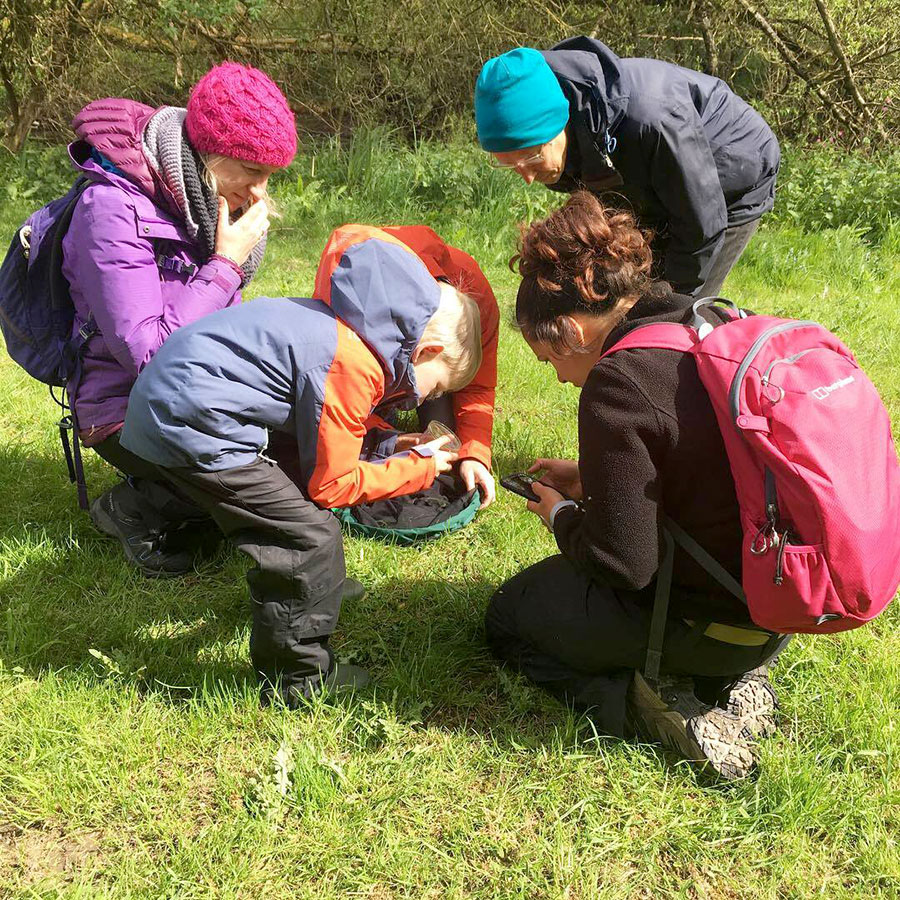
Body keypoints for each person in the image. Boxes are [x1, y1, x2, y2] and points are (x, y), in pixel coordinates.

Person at [485, 192, 789, 780]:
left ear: (573, 330)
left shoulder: (617, 382)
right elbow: (696, 463)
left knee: (509, 615)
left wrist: (561, 515)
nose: (560, 378)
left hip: (705, 620)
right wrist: (594, 475)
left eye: (550, 359)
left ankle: (646, 703)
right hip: (776, 604)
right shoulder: (705, 319)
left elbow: (623, 565)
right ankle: (732, 673)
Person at [118, 232, 482, 706]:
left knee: (291, 494)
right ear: (427, 352)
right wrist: (419, 468)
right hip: (193, 420)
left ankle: (314, 587)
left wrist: (391, 441)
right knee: (308, 537)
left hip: (177, 399)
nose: (426, 400)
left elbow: (323, 419)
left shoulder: (347, 330)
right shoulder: (357, 364)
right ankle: (296, 681)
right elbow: (334, 484)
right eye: (435, 390)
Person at [62, 62, 297, 576]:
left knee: (296, 467)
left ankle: (180, 495)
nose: (260, 192)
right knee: (239, 489)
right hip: (124, 407)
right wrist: (225, 265)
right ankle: (133, 507)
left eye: (269, 176)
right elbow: (150, 355)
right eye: (252, 172)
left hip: (192, 392)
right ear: (208, 156)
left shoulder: (191, 196)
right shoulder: (109, 209)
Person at [474, 38, 780, 298]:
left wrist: (670, 304)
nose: (527, 177)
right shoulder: (566, 129)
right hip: (655, 173)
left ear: (560, 120)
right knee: (625, 293)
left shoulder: (652, 121)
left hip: (732, 175)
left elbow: (702, 224)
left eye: (531, 158)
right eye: (510, 165)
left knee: (672, 310)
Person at [314, 224, 500, 507]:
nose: (423, 399)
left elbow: (477, 386)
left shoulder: (474, 295)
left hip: (419, 361)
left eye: (439, 391)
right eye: (435, 390)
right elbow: (339, 395)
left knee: (441, 440)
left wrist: (474, 452)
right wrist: (382, 437)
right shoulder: (353, 289)